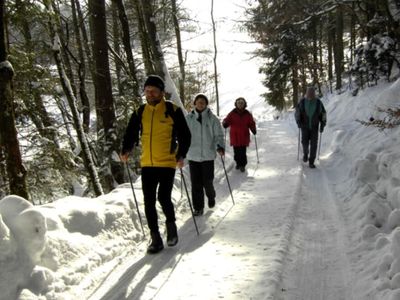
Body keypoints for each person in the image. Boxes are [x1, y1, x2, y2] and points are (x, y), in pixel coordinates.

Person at [120, 75, 191, 254]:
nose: (149, 94)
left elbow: (185, 135)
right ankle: (155, 238)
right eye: (147, 91)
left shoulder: (172, 109)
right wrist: (126, 149)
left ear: (161, 92)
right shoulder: (140, 111)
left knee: (163, 197)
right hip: (147, 164)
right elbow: (130, 132)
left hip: (167, 162)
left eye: (153, 91)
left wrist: (181, 155)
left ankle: (171, 226)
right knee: (148, 201)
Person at [185, 93, 225, 216]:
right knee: (196, 183)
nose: (200, 103)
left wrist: (220, 146)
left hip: (208, 155)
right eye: (198, 101)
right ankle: (198, 208)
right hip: (193, 155)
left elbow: (218, 135)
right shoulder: (188, 119)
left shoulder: (212, 119)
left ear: (206, 104)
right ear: (195, 103)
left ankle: (211, 196)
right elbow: (183, 135)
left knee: (207, 182)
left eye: (203, 102)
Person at [295, 86, 327, 169]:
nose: (310, 97)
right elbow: (297, 112)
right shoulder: (302, 102)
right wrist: (298, 121)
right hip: (304, 127)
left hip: (314, 127)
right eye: (309, 95)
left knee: (314, 145)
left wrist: (323, 124)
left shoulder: (318, 103)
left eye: (312, 96)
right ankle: (305, 153)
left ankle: (311, 161)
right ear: (306, 94)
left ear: (314, 95)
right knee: (304, 142)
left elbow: (323, 114)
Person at [222, 97, 256, 172]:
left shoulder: (247, 114)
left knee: (242, 152)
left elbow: (251, 123)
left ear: (244, 104)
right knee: (236, 152)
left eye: (242, 103)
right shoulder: (232, 113)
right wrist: (225, 123)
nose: (240, 104)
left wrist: (253, 129)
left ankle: (243, 165)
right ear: (236, 104)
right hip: (235, 136)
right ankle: (238, 163)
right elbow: (227, 119)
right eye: (238, 103)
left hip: (244, 135)